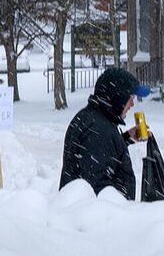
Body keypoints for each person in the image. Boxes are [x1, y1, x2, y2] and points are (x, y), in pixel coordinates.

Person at [59, 67, 154, 198]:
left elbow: (101, 154)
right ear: (118, 97)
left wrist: (126, 138)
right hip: (104, 217)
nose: (132, 103)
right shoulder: (99, 130)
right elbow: (97, 191)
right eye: (130, 97)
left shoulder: (93, 119)